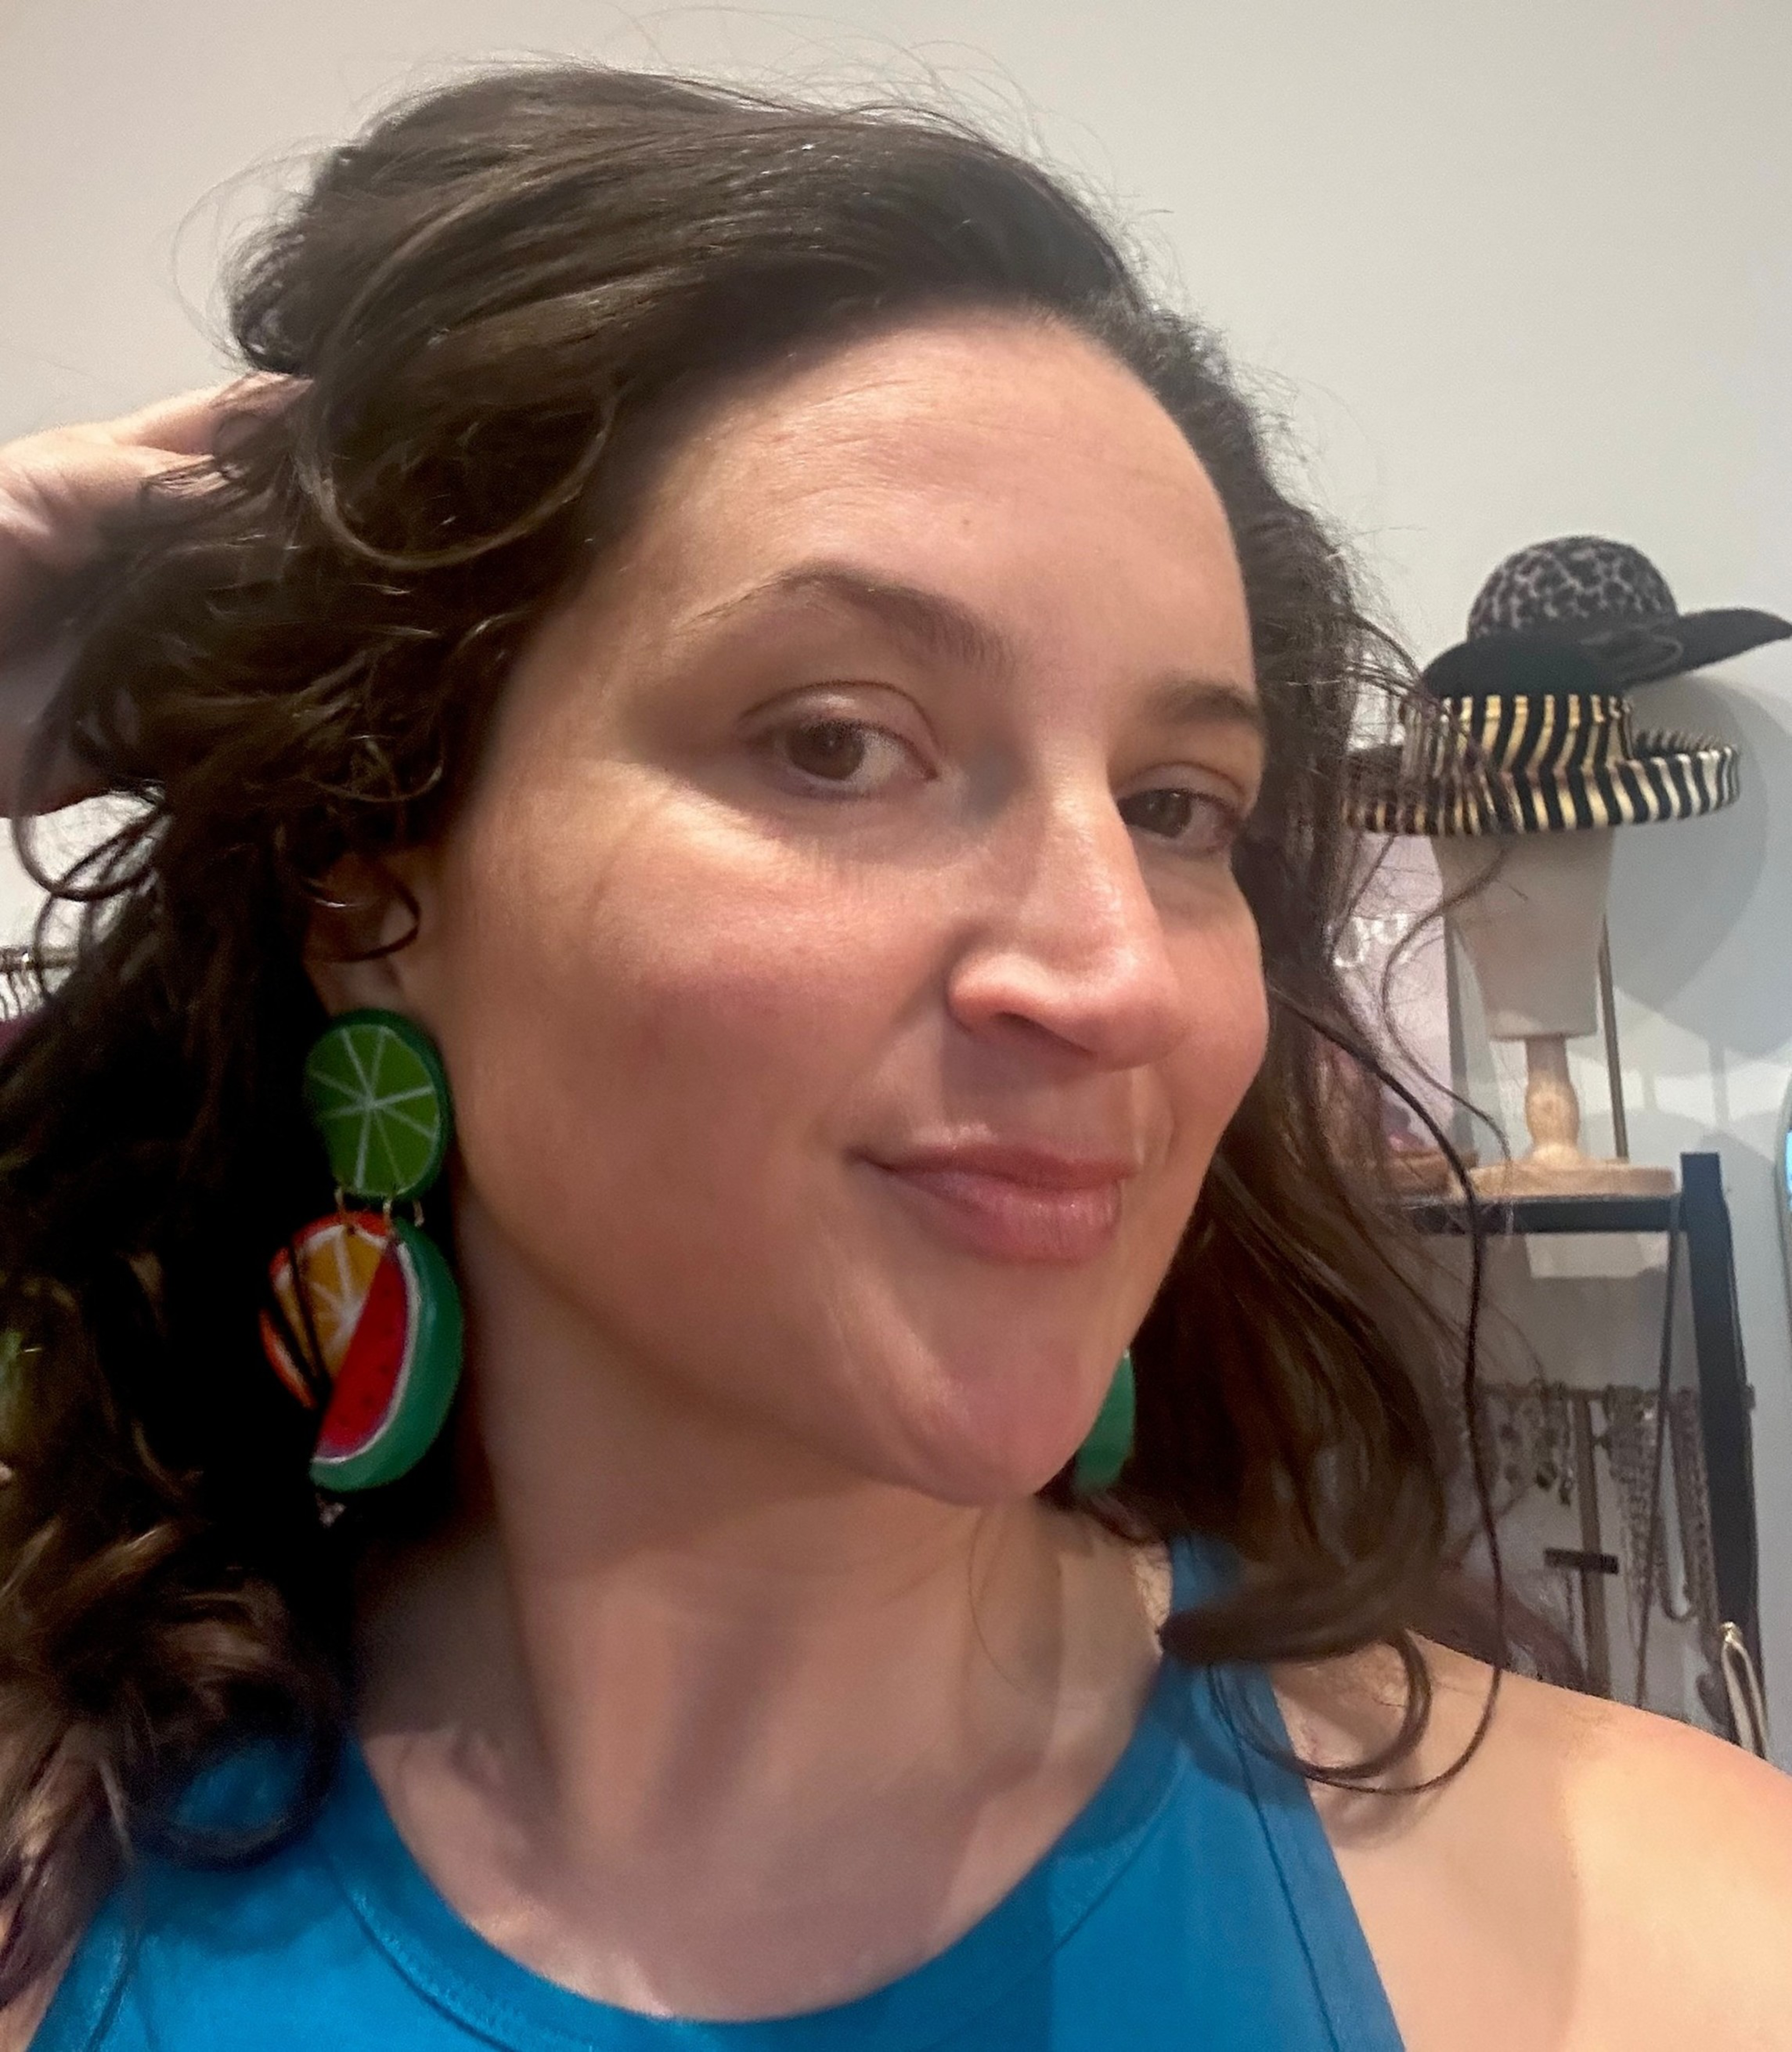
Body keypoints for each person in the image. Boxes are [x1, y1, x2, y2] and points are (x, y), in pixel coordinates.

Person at [0, 63, 1787, 2052]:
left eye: (1179, 808)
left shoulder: (1675, 1957)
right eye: (840, 744)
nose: (1119, 973)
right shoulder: (57, 1893)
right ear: (370, 893)